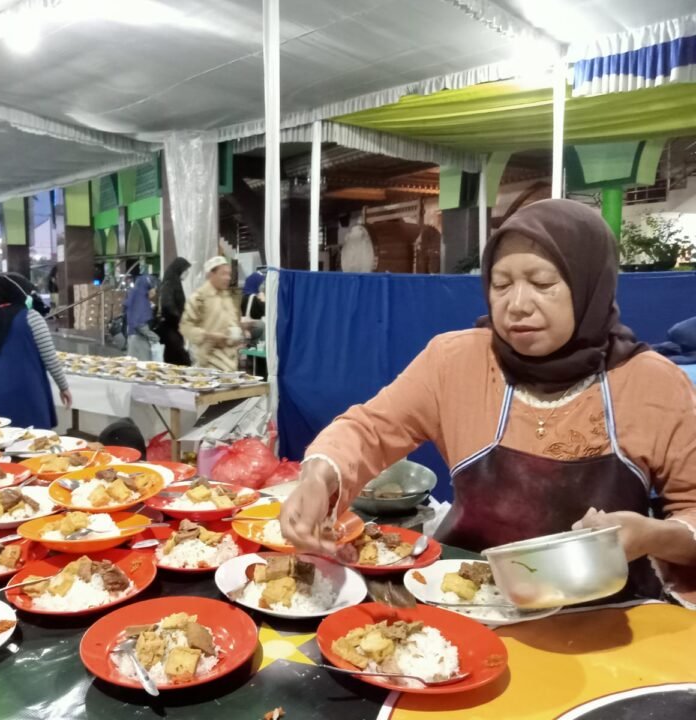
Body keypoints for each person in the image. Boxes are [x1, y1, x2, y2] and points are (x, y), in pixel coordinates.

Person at [282, 199, 696, 606]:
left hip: (606, 611)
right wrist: (319, 476)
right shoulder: (455, 361)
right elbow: (369, 429)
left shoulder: (652, 383)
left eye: (542, 284)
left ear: (591, 284)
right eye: (501, 285)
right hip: (471, 598)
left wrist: (653, 535)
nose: (517, 305)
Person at [0, 272, 72, 429]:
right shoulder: (32, 317)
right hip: (28, 391)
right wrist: (64, 387)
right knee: (33, 439)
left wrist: (1, 361)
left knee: (0, 438)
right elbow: (50, 359)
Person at [180, 256, 244, 372]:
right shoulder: (199, 297)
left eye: (229, 274)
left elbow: (231, 323)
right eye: (223, 274)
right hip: (209, 363)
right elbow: (186, 327)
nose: (228, 278)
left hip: (230, 363)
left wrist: (240, 330)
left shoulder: (226, 297)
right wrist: (209, 336)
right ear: (211, 274)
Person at [156, 257, 192, 366]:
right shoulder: (170, 283)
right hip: (171, 329)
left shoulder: (174, 283)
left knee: (174, 360)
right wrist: (179, 319)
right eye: (185, 270)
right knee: (180, 360)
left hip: (174, 329)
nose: (187, 273)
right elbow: (167, 305)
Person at [124, 275, 159, 361]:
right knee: (143, 365)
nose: (154, 293)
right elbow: (139, 324)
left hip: (132, 336)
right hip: (139, 340)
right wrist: (155, 338)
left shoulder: (135, 294)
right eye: (154, 289)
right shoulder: (141, 299)